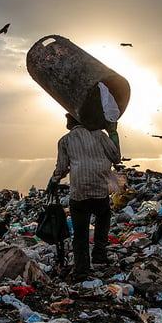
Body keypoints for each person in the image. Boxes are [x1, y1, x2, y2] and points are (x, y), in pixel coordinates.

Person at [48, 113, 121, 281]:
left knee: (80, 233)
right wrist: (113, 133)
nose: (66, 119)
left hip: (79, 192)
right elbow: (116, 157)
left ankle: (81, 270)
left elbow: (62, 167)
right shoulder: (100, 135)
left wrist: (54, 180)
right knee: (103, 217)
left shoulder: (65, 140)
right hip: (99, 189)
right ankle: (100, 255)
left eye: (68, 116)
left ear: (75, 119)